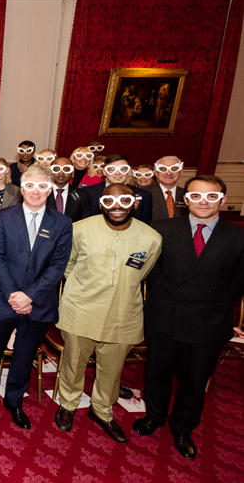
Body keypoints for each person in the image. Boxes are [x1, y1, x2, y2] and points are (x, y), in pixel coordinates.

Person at [133, 176, 244, 459]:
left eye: (210, 196)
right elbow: (152, 273)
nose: (203, 202)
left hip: (208, 320)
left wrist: (213, 305)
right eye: (196, 196)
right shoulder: (163, 229)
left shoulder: (238, 237)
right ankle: (154, 417)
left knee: (195, 381)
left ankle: (183, 428)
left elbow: (238, 284)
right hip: (165, 315)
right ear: (185, 199)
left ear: (222, 199)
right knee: (157, 373)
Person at [54, 183, 162, 444]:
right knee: (73, 362)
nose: (117, 206)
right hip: (81, 309)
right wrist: (83, 287)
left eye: (124, 200)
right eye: (110, 201)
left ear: (134, 203)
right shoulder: (79, 229)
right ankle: (68, 404)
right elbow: (67, 264)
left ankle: (101, 409)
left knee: (112, 369)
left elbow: (143, 273)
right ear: (101, 203)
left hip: (123, 314)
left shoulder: (151, 238)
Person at [0, 166, 72, 431]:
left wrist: (29, 295)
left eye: (43, 187)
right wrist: (13, 295)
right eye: (30, 186)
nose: (36, 192)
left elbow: (58, 265)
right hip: (1, 299)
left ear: (50, 189)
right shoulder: (2, 217)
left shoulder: (63, 223)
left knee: (24, 355)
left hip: (39, 302)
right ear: (22, 188)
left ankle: (14, 402)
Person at [85, 154, 154, 224]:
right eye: (111, 169)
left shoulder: (145, 195)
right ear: (104, 172)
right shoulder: (88, 193)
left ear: (129, 171)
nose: (117, 173)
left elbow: (144, 224)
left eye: (122, 169)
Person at [47, 157, 93, 222]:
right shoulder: (41, 193)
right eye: (56, 169)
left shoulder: (83, 196)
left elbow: (84, 223)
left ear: (72, 172)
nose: (61, 173)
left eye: (66, 169)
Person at [146, 156, 187, 221]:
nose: (168, 173)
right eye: (163, 169)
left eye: (174, 169)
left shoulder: (187, 194)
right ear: (156, 173)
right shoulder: (145, 193)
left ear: (181, 173)